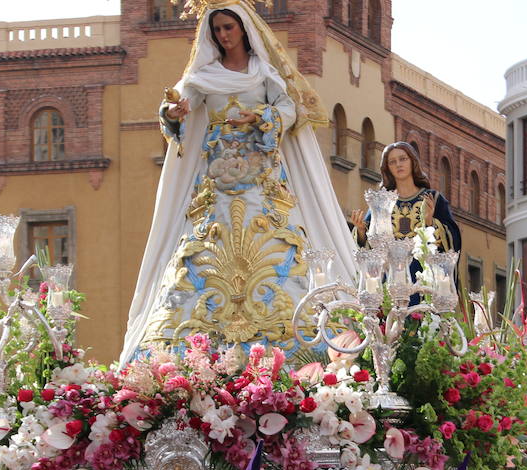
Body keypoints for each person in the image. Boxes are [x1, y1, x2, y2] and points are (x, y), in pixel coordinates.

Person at [119, 1, 356, 362]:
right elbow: (178, 106)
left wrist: (260, 115)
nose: (223, 35)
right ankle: (186, 352)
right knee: (200, 252)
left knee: (279, 248)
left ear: (244, 28)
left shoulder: (264, 71)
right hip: (216, 185)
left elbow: (290, 110)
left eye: (228, 27)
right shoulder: (203, 75)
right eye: (217, 30)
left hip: (262, 181)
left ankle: (300, 347)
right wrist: (173, 112)